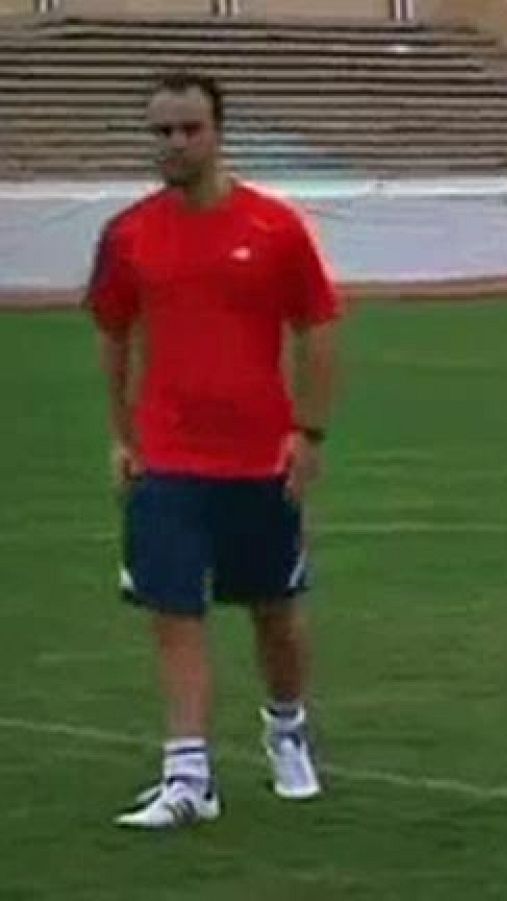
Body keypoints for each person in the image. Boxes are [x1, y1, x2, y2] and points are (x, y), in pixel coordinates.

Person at [86, 70, 341, 828]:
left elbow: (317, 326)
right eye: (161, 130)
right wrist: (122, 435)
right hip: (167, 457)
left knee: (275, 609)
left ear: (217, 132)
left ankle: (286, 725)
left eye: (189, 129)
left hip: (259, 456)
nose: (174, 143)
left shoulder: (274, 228)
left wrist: (310, 430)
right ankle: (188, 774)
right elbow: (113, 332)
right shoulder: (129, 235)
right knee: (173, 608)